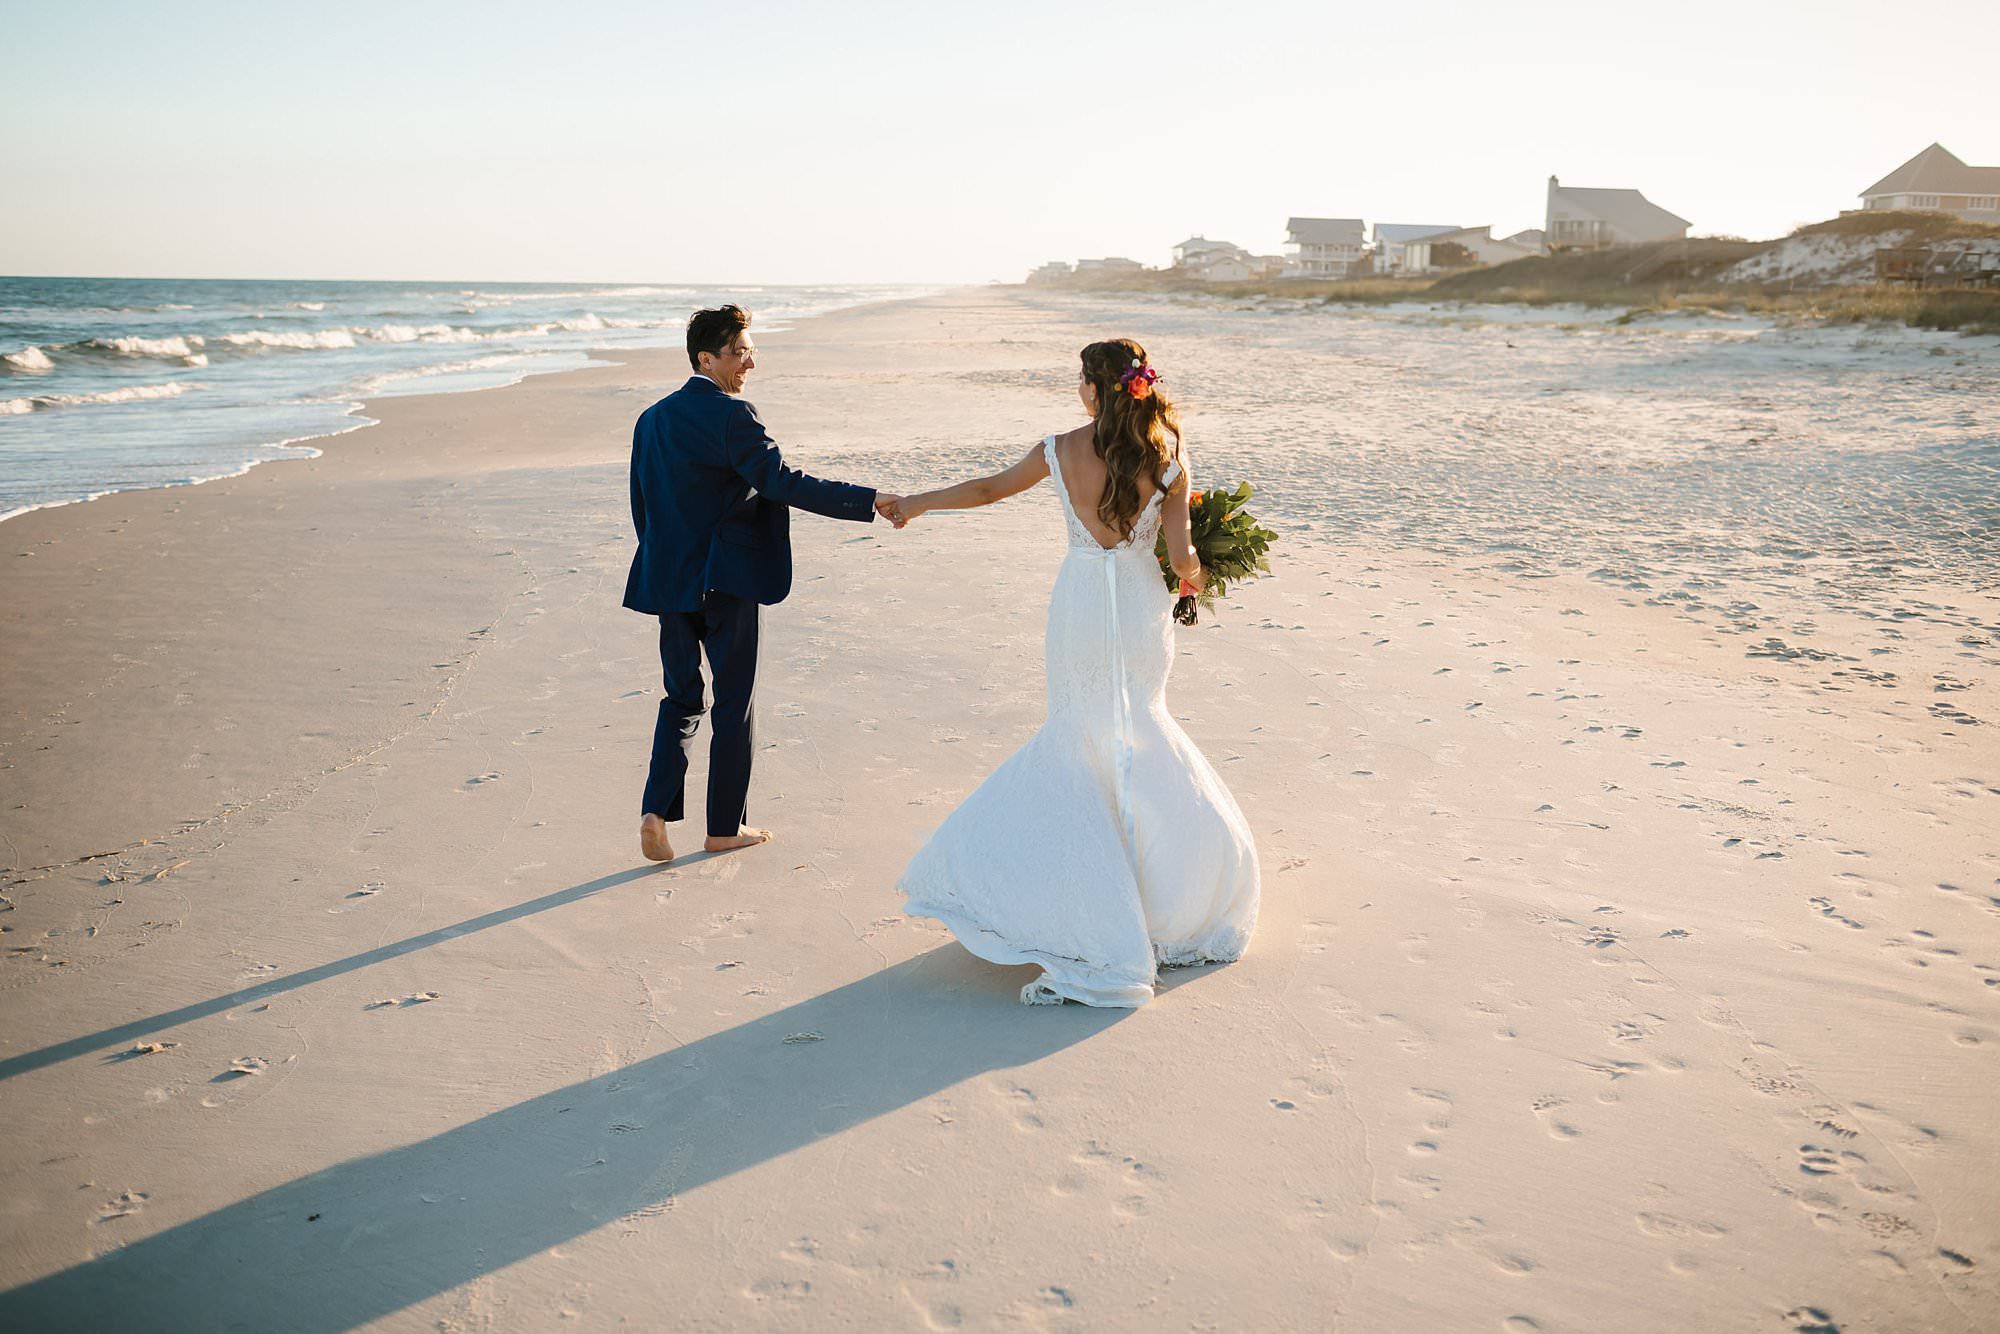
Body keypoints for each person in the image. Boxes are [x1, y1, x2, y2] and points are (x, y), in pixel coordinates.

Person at [879, 339, 1259, 1006]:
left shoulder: (1058, 449)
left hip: (1081, 605)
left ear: (1094, 386)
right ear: (1137, 387)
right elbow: (1185, 558)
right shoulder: (1168, 458)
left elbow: (988, 489)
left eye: (1081, 380)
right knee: (1142, 728)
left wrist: (916, 502)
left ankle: (1082, 902)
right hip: (1141, 605)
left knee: (1079, 731)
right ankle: (1171, 900)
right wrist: (1198, 580)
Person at [622, 304, 901, 863]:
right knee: (734, 703)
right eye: (741, 350)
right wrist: (866, 500)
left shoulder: (650, 419)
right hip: (727, 581)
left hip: (668, 582)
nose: (751, 360)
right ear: (708, 357)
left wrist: (664, 564)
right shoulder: (732, 414)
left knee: (680, 698)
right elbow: (781, 482)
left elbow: (642, 506)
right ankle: (725, 826)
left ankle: (656, 811)